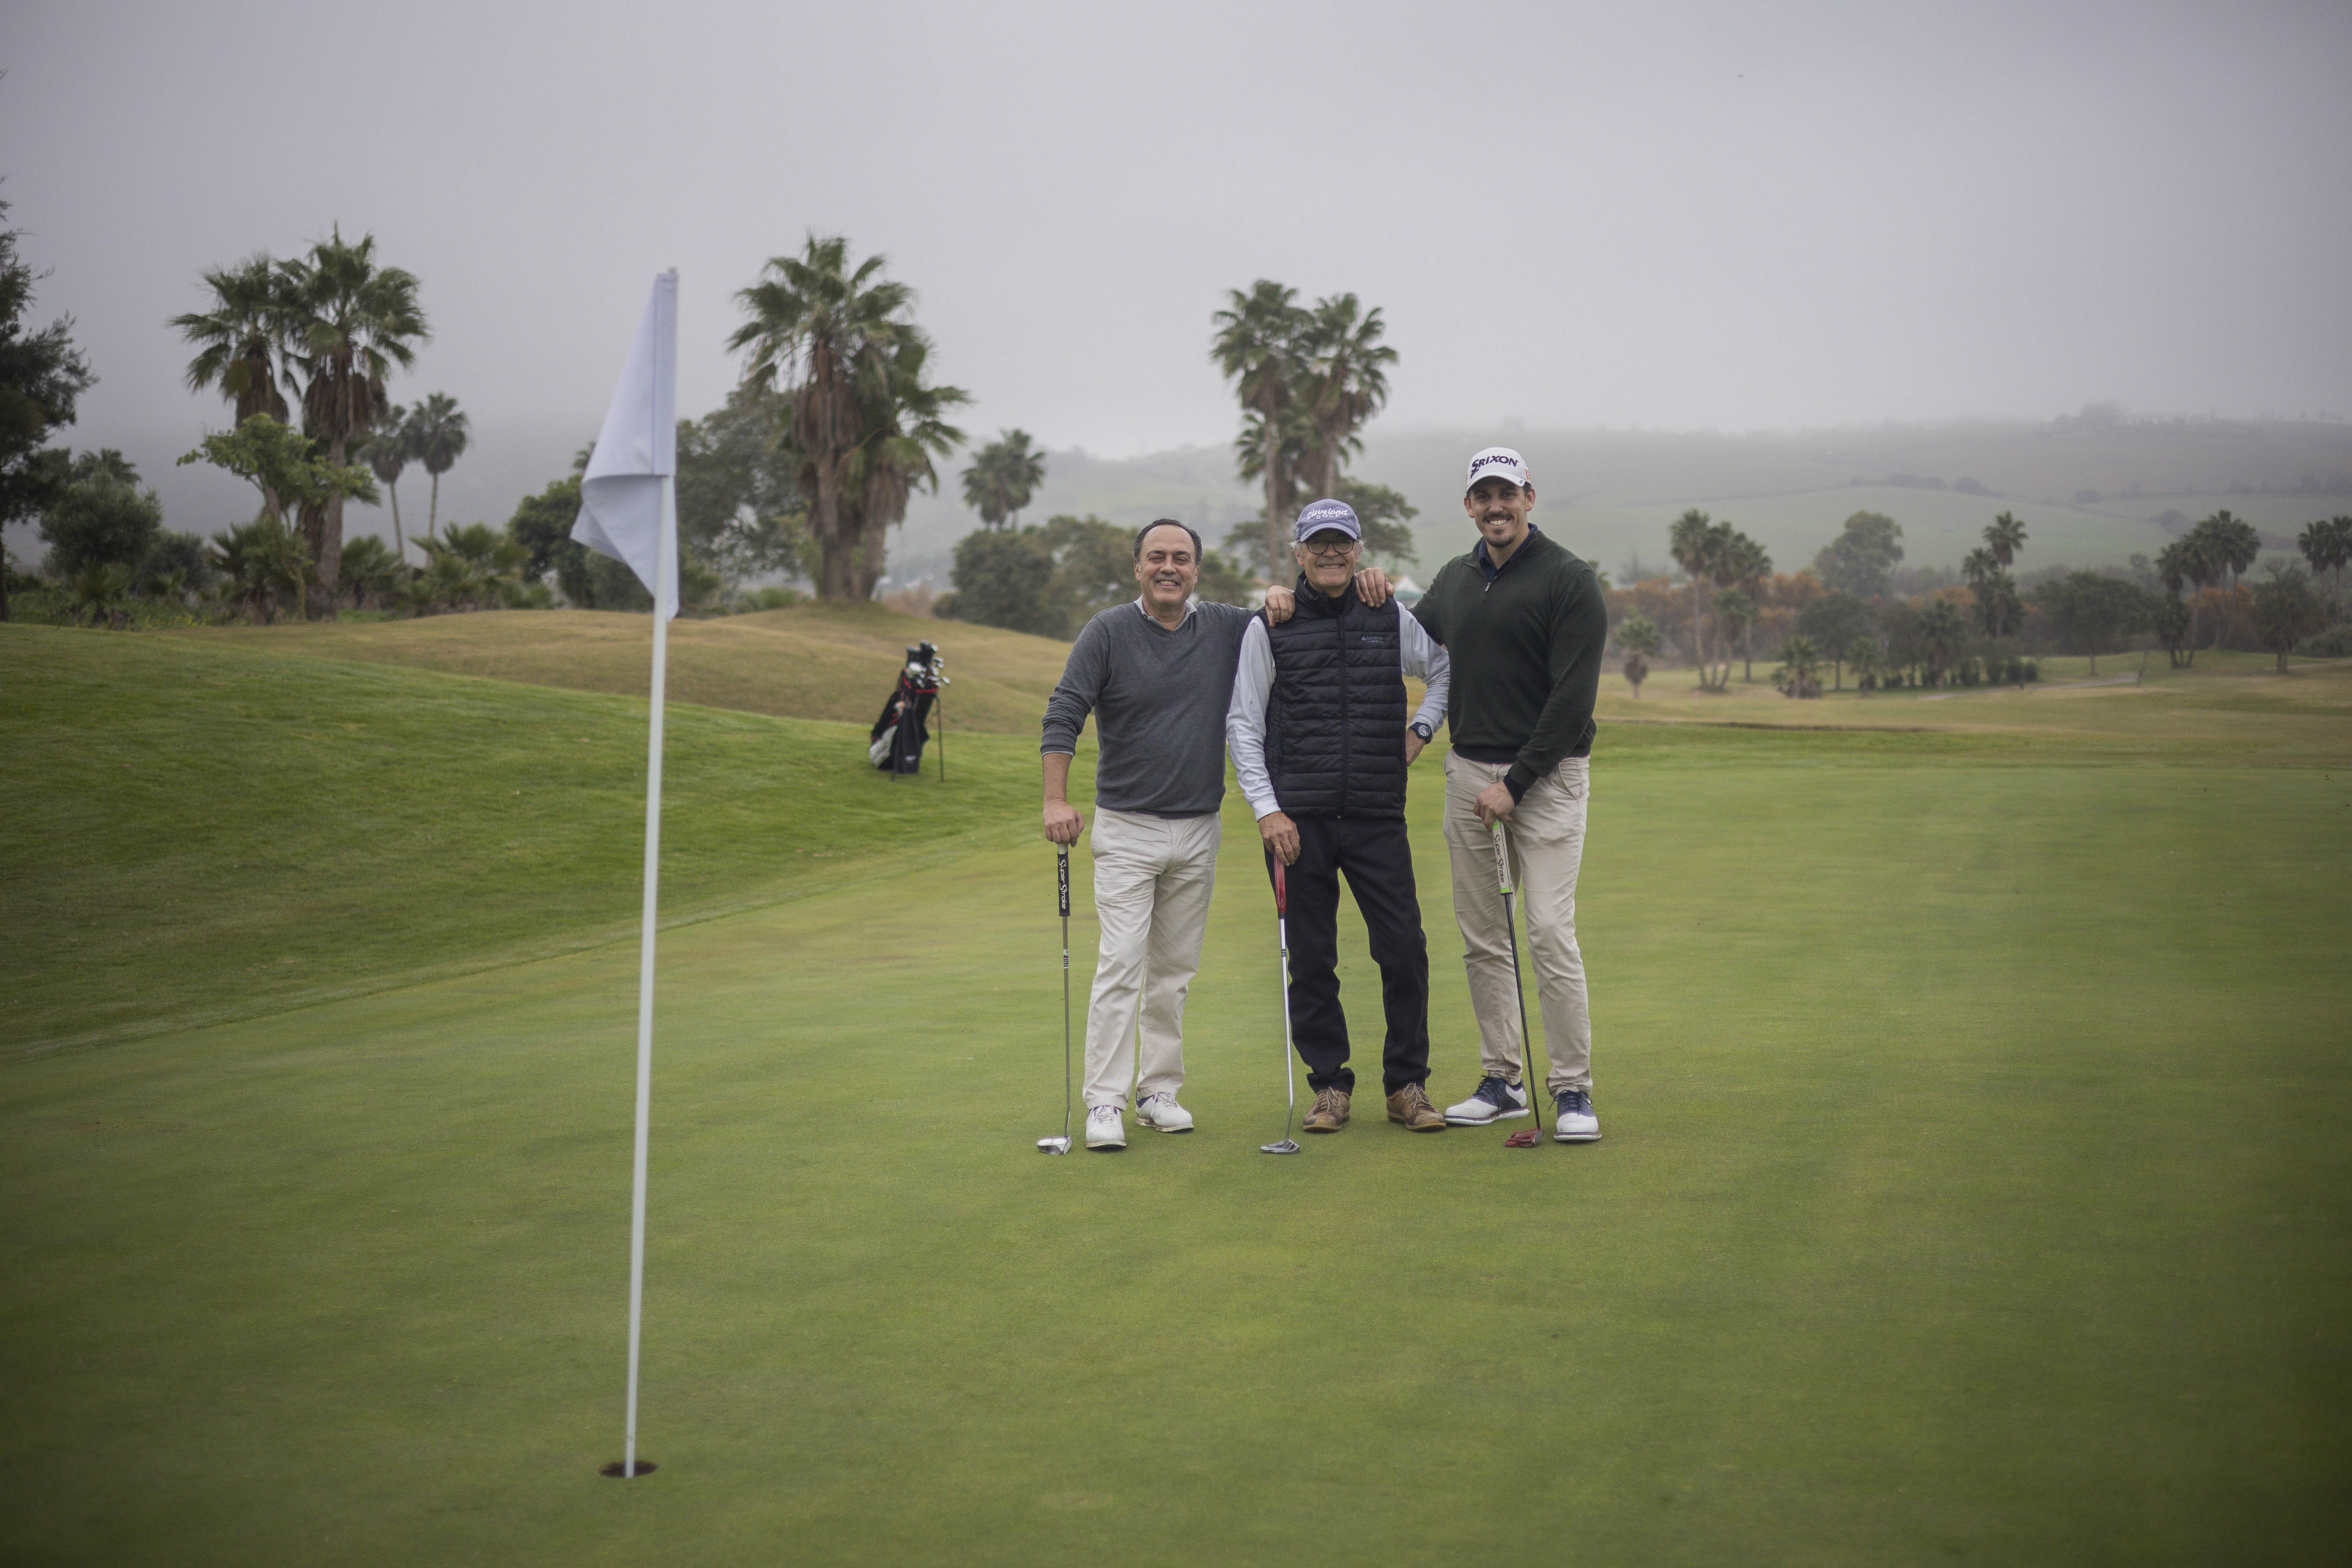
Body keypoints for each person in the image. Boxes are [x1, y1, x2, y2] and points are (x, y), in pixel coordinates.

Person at [1040, 520, 1387, 1151]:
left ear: (1197, 569)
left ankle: (1158, 1092)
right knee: (1122, 964)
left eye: (1181, 558)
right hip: (1126, 827)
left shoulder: (1227, 627)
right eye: (1156, 558)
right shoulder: (1107, 631)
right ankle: (1104, 1101)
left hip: (1198, 828)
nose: (1168, 567)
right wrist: (1055, 798)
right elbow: (1066, 710)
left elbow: (1288, 609)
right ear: (1138, 567)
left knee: (1173, 971)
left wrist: (1288, 594)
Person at [1227, 499, 1452, 1135]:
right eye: (1317, 543)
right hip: (1297, 821)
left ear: (1358, 551)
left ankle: (1407, 1085)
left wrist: (1423, 726)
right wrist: (1268, 811)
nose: (1330, 553)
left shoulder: (1388, 614)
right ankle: (1330, 1086)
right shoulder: (1270, 623)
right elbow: (1243, 724)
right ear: (1298, 552)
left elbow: (1444, 668)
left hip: (1377, 812)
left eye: (1342, 543)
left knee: (1404, 948)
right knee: (1313, 958)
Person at [1412, 448, 1610, 1142]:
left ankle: (1573, 1091)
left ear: (1529, 496)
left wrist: (1515, 784)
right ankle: (1503, 1080)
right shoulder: (1455, 579)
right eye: (1482, 495)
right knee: (1484, 937)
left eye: (1507, 493)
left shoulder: (1568, 579)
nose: (1495, 506)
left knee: (1550, 932)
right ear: (1469, 506)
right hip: (1470, 774)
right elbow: (1405, 638)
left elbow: (1572, 700)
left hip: (1546, 780)